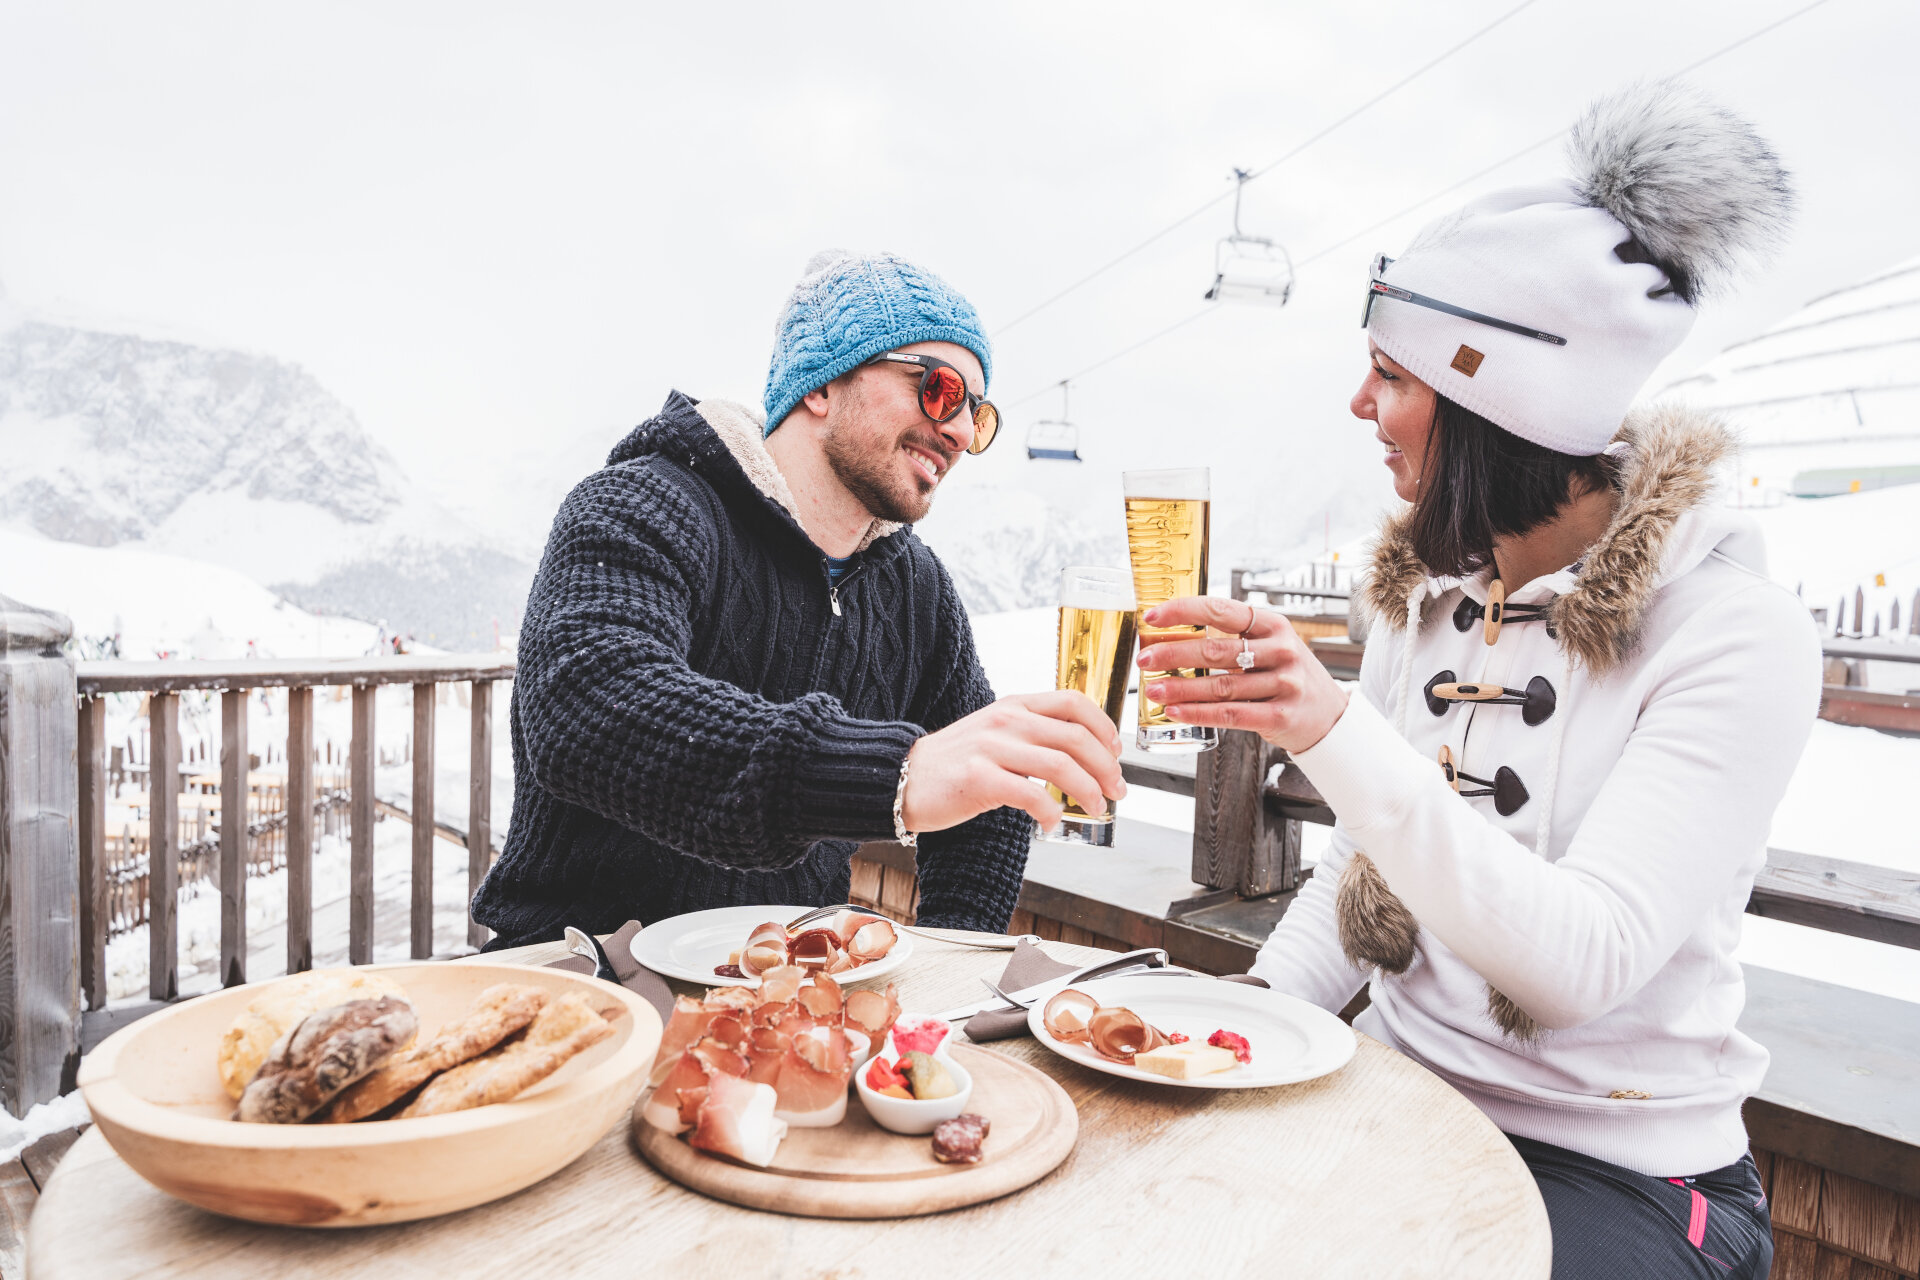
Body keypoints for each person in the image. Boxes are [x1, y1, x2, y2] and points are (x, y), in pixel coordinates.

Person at [1140, 84, 1812, 1279]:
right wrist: (1237, 1030)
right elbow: (1363, 868)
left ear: (1494, 398)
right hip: (1403, 1100)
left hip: (1624, 1170)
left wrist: (1336, 728)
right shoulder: (1430, 592)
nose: (1361, 406)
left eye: (1391, 376)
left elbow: (1579, 959)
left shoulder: (1736, 633)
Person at [472, 250, 1126, 948]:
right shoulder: (642, 504)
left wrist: (951, 962)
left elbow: (988, 800)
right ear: (822, 386)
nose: (962, 431)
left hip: (786, 995)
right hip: (588, 983)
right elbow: (586, 704)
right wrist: (894, 775)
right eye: (939, 390)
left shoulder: (916, 590)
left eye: (976, 412)